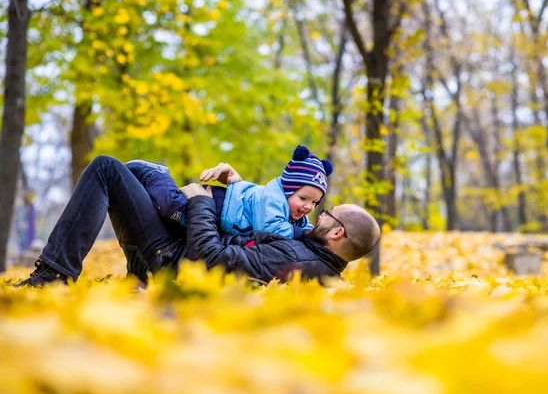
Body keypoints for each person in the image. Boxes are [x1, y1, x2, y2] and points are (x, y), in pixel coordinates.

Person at [14, 155, 380, 287]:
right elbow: (244, 239)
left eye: (326, 213)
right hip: (175, 255)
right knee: (135, 173)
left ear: (337, 232)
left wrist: (202, 202)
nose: (316, 214)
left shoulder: (299, 258)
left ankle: (53, 276)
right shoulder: (311, 254)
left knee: (107, 169)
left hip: (172, 262)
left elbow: (211, 260)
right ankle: (130, 278)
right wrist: (235, 188)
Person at [125, 145, 333, 240]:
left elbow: (306, 227)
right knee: (173, 207)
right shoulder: (274, 200)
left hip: (225, 215)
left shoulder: (293, 213)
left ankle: (139, 192)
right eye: (303, 198)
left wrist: (312, 231)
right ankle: (155, 175)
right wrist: (304, 235)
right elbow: (269, 228)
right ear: (288, 190)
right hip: (220, 205)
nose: (308, 207)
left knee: (174, 221)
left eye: (314, 203)